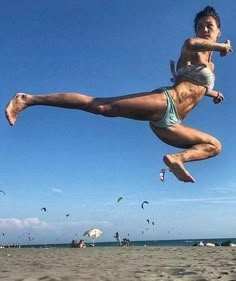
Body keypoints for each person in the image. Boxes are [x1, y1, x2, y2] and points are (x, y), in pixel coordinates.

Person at [5, 6, 233, 183]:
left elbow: (195, 85)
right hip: (166, 102)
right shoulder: (192, 48)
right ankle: (28, 99)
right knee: (102, 107)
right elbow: (190, 43)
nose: (204, 29)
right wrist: (222, 47)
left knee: (215, 146)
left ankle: (177, 159)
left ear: (218, 30)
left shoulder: (210, 67)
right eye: (201, 25)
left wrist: (212, 93)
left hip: (172, 124)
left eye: (209, 26)